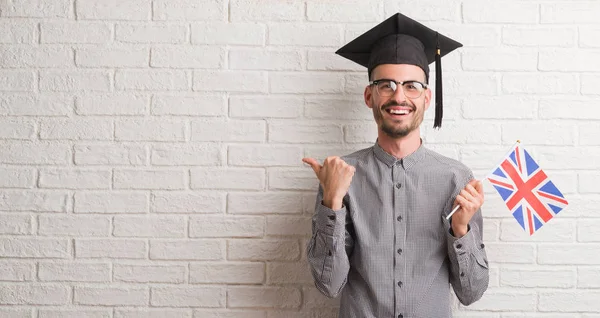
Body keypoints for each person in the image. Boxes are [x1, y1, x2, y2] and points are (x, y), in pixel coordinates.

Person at [303, 13, 489, 318]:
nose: (399, 96)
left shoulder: (456, 178)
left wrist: (460, 229)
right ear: (369, 95)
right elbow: (329, 285)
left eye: (412, 85)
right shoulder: (339, 177)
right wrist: (331, 204)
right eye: (386, 85)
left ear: (427, 98)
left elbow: (472, 293)